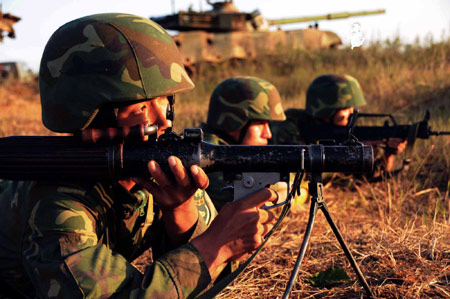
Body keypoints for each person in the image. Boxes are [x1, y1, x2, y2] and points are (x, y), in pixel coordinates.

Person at [0, 14, 278, 298]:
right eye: (139, 107)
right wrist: (214, 246)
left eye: (164, 100)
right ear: (89, 115)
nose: (162, 121)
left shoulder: (156, 170)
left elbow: (212, 283)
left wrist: (181, 212)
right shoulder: (58, 206)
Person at [199, 76, 308, 211]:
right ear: (234, 122)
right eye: (260, 123)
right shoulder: (207, 156)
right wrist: (290, 190)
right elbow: (247, 201)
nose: (268, 134)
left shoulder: (228, 149)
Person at [270, 74, 407, 174]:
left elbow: (366, 179)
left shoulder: (346, 130)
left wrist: (388, 154)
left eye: (352, 108)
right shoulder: (289, 124)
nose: (350, 113)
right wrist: (349, 154)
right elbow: (302, 167)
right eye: (345, 108)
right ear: (327, 110)